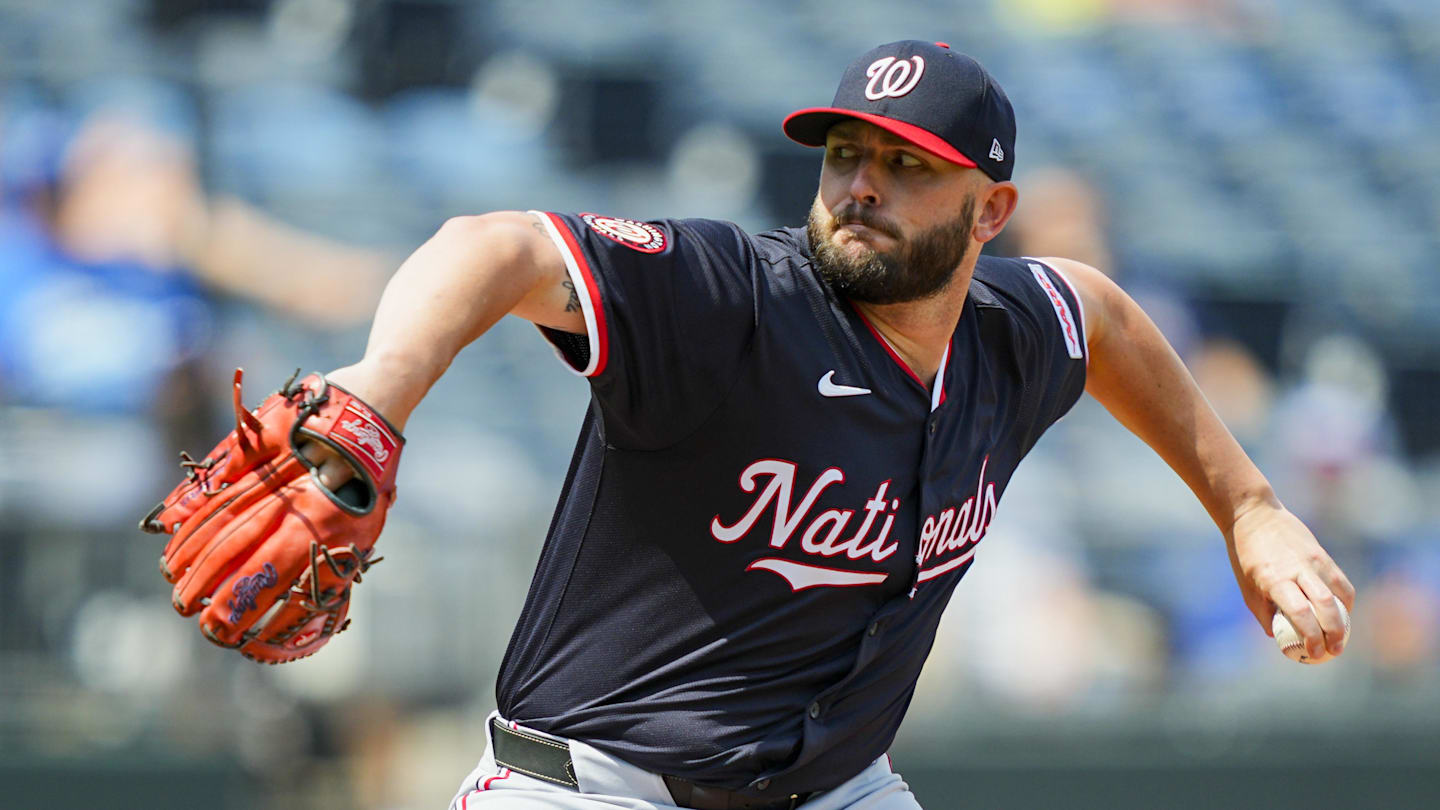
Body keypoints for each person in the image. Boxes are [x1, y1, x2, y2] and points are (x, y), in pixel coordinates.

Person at [195, 41, 1358, 808]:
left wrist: (1248, 508)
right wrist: (378, 395)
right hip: (596, 786)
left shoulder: (1016, 331)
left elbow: (1100, 315)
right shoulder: (726, 300)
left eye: (909, 167)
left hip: (834, 789)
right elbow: (494, 248)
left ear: (990, 210)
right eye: (847, 155)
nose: (862, 185)